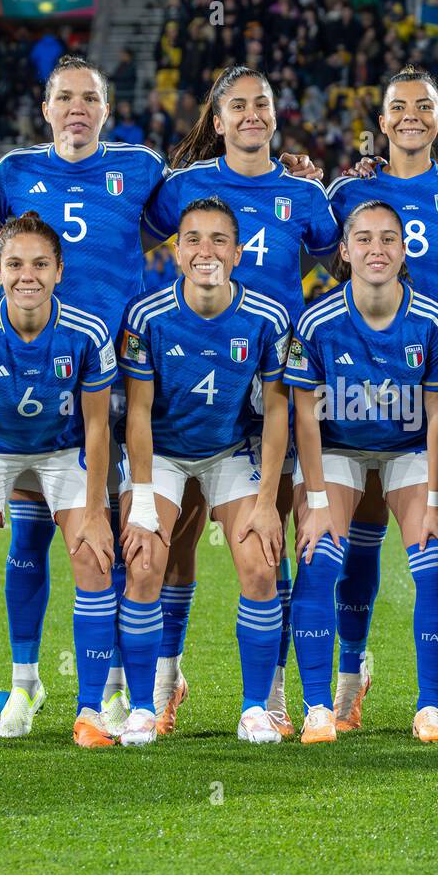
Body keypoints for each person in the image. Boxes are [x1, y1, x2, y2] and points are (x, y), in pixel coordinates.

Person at [0, 56, 321, 737]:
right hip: (67, 380)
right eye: (64, 97)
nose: (77, 108)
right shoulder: (11, 174)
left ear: (107, 110)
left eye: (90, 97)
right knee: (66, 534)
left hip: (205, 386)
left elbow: (328, 245)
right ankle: (36, 685)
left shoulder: (143, 169)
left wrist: (317, 177)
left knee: (232, 540)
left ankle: (179, 691)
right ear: (46, 106)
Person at [141, 65, 340, 736]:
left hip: (271, 386)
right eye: (238, 105)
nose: (252, 113)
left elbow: (346, 264)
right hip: (190, 378)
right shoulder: (186, 189)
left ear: (275, 116)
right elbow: (131, 241)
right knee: (177, 535)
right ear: (218, 121)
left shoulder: (304, 195)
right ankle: (165, 681)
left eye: (262, 103)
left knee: (265, 536)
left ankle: (272, 696)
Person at [324, 64, 438, 733]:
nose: (410, 116)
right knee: (360, 539)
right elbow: (319, 258)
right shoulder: (350, 190)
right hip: (362, 386)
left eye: (422, 106)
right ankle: (350, 674)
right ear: (381, 119)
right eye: (398, 106)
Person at [0, 213, 118, 749]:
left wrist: (98, 511)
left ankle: (90, 713)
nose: (26, 275)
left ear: (59, 270)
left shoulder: (88, 331)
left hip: (63, 451)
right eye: (14, 264)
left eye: (39, 264)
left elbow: (99, 427)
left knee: (93, 557)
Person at [117, 197, 292, 745]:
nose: (206, 250)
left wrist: (266, 501)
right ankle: (143, 706)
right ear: (176, 250)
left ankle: (254, 708)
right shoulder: (146, 317)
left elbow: (279, 411)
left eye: (219, 240)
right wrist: (142, 497)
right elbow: (139, 413)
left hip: (229, 450)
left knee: (262, 562)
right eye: (193, 238)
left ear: (238, 252)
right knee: (144, 562)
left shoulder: (267, 318)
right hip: (163, 454)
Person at [284, 200, 438, 743]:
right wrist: (314, 504)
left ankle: (431, 704)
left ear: (404, 249)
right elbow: (306, 420)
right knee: (317, 557)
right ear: (343, 251)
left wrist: (435, 500)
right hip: (338, 448)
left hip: (409, 450)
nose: (376, 249)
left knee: (435, 562)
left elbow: (437, 415)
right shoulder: (315, 321)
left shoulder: (435, 320)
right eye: (363, 239)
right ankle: (319, 705)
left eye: (388, 238)